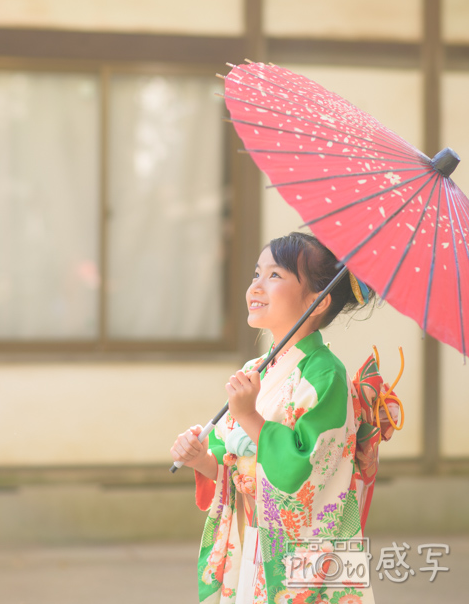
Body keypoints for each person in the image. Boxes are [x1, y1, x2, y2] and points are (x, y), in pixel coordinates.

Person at [170, 231, 397, 604]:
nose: (256, 286)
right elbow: (234, 467)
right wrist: (203, 459)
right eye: (256, 274)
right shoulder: (256, 369)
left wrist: (248, 417)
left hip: (305, 554)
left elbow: (303, 471)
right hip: (254, 540)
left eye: (274, 276)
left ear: (317, 301)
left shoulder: (326, 374)